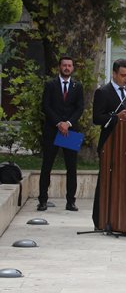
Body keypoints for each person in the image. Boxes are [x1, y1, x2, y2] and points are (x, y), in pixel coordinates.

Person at [91, 58, 126, 230]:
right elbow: (97, 118)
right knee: (105, 182)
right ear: (114, 74)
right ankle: (100, 220)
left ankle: (120, 219)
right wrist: (116, 117)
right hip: (109, 143)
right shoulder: (103, 92)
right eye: (123, 75)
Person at [38, 55, 84, 212]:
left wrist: (68, 123)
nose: (67, 68)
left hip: (70, 131)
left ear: (73, 68)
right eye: (64, 65)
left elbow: (80, 108)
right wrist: (59, 123)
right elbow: (45, 106)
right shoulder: (50, 85)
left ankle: (71, 201)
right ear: (59, 67)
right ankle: (42, 200)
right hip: (52, 130)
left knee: (72, 168)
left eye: (69, 65)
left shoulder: (77, 86)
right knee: (47, 166)